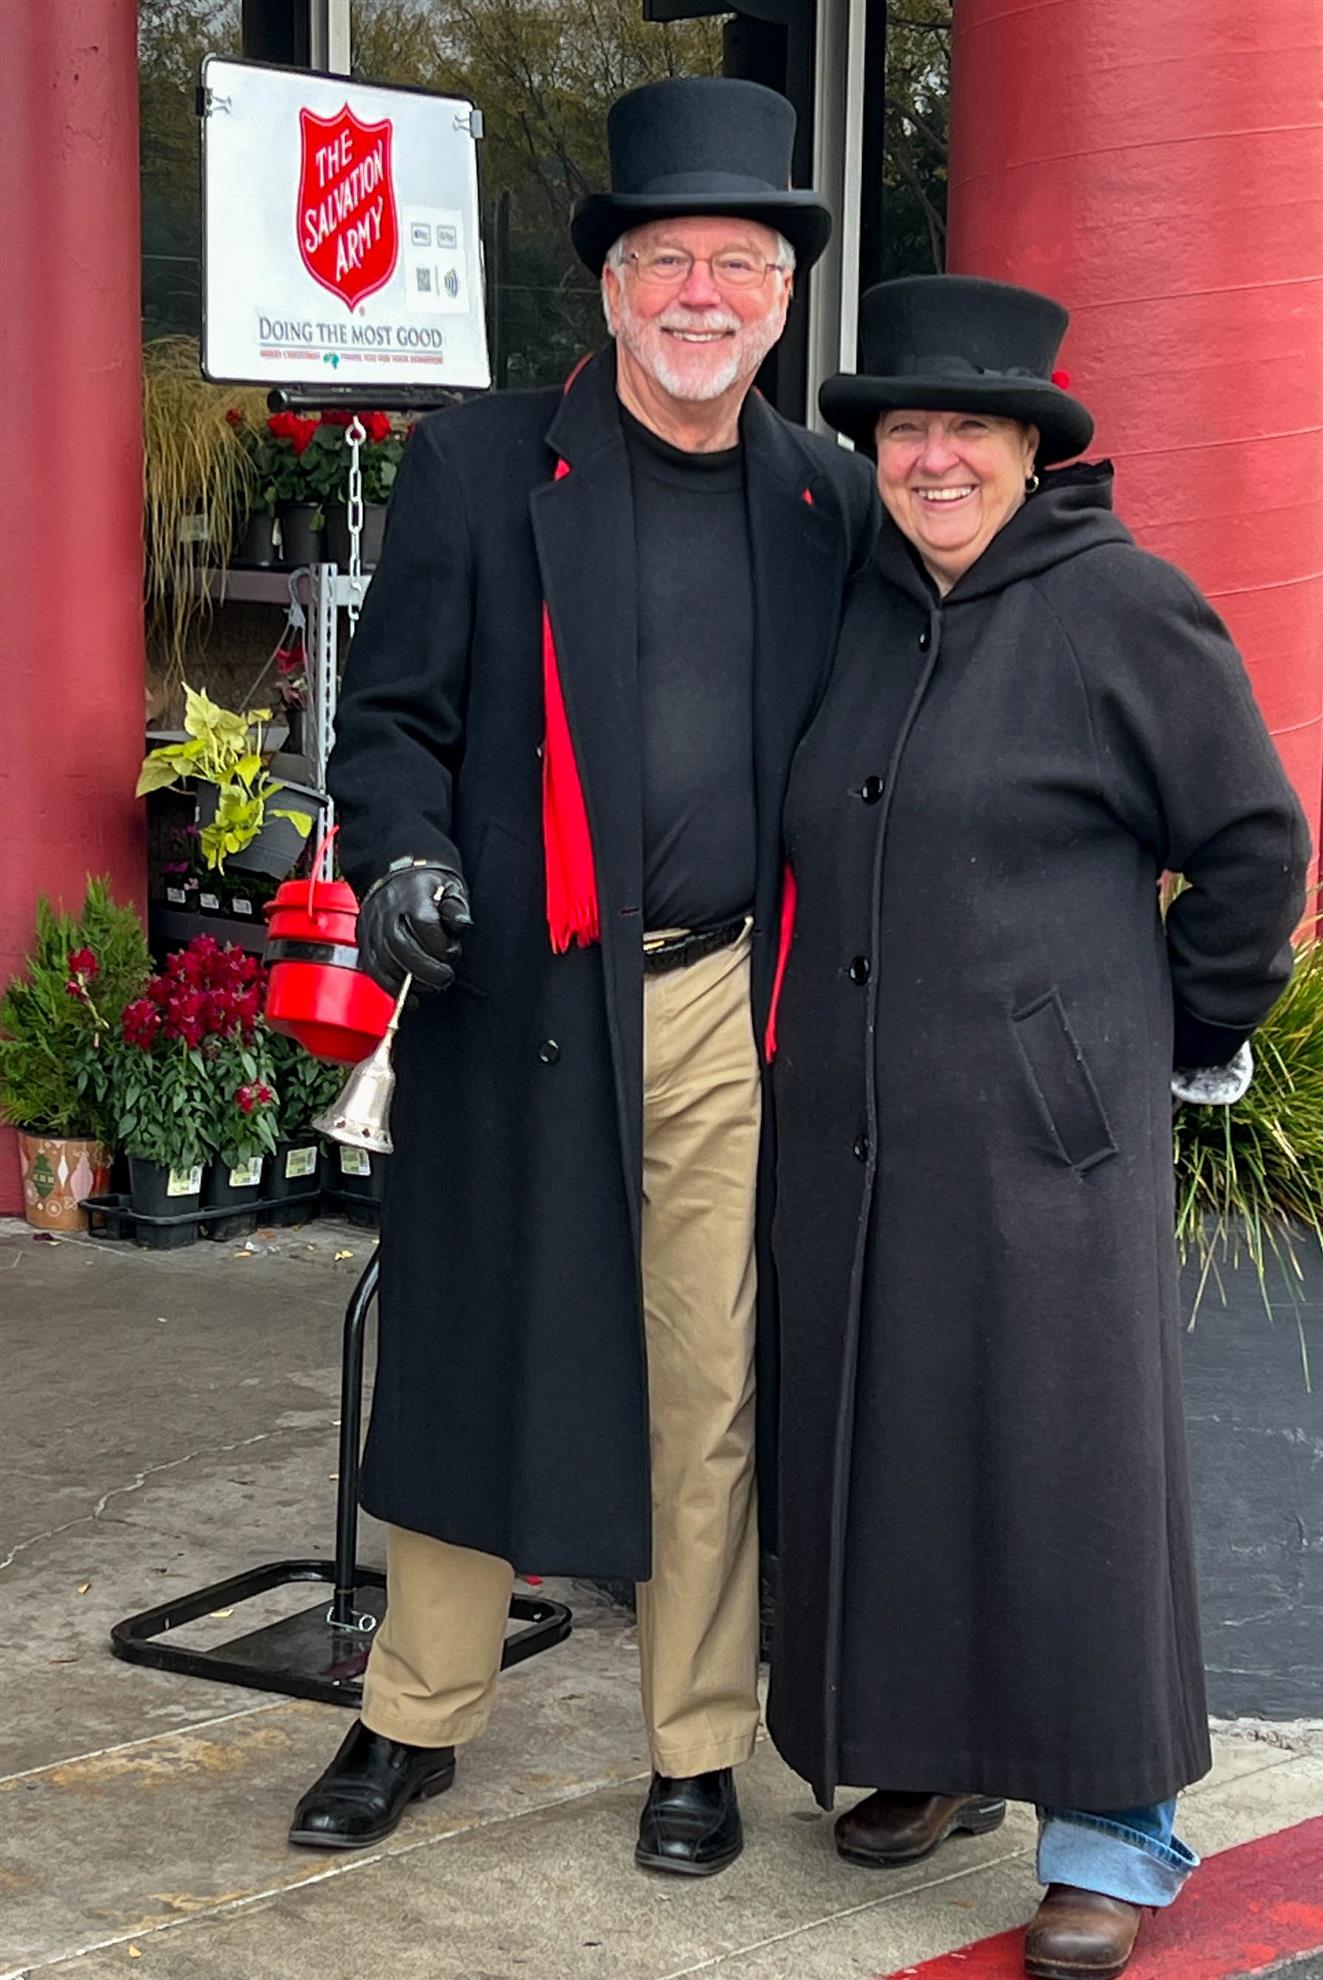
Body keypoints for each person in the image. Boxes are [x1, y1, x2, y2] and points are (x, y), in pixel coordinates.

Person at [290, 76, 876, 1873]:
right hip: (519, 990)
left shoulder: (827, 497)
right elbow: (388, 723)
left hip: (720, 1002)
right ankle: (414, 1717)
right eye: (668, 260)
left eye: (741, 264)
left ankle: (694, 1746)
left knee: (704, 1380)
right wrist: (402, 850)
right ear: (611, 288)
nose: (704, 294)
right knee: (470, 1355)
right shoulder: (480, 466)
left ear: (782, 299)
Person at [765, 276, 1310, 1978]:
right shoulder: (866, 608)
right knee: (903, 1442)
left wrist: (1163, 1035)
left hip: (1047, 1137)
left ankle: (1114, 1832)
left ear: (1030, 450)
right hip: (858, 1127)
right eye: (905, 431)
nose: (931, 459)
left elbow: (1252, 849)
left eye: (967, 432)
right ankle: (930, 1752)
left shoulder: (1123, 608)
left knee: (1069, 1475)